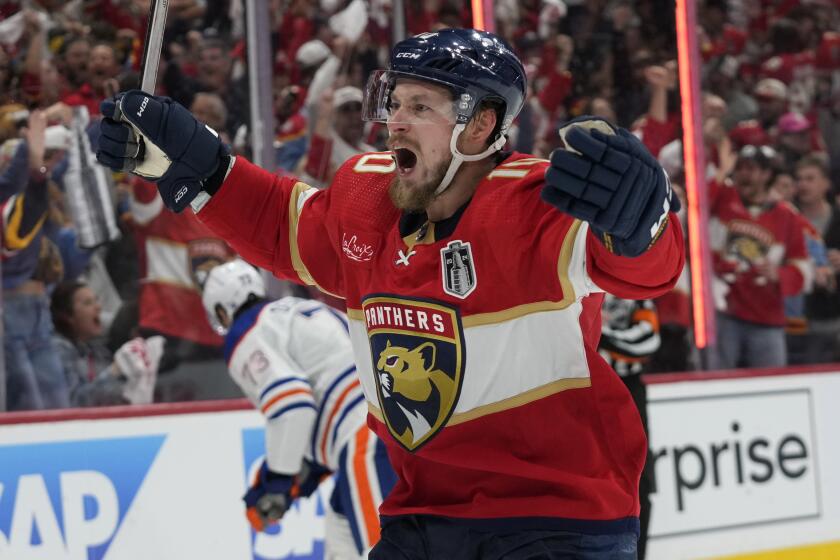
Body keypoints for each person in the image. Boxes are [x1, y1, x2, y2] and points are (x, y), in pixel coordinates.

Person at [98, 28, 685, 559]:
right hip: (422, 514)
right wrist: (198, 167)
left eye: (420, 107)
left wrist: (645, 225)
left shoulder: (542, 204)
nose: (395, 122)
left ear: (480, 125)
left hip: (556, 519)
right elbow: (282, 225)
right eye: (394, 102)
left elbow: (644, 271)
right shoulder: (366, 195)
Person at [201, 259, 395, 558]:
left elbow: (293, 408)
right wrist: (293, 479)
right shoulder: (296, 309)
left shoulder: (247, 332)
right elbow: (330, 404)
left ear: (222, 310)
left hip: (365, 441)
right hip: (399, 429)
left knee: (382, 551)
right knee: (341, 534)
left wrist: (277, 481)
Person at [709, 144, 809, 368]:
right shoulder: (722, 198)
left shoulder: (786, 216)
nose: (743, 174)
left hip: (766, 318)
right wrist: (721, 172)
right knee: (718, 385)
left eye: (751, 168)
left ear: (767, 174)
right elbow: (695, 204)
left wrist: (779, 274)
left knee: (772, 388)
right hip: (724, 314)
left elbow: (803, 270)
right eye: (740, 168)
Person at [598, 295, 661, 560]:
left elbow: (647, 341)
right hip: (585, 389)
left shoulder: (634, 284)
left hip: (629, 388)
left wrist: (597, 330)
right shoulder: (573, 275)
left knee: (639, 482)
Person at [50, 280, 164, 407]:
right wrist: (114, 371)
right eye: (88, 303)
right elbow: (75, 402)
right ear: (67, 316)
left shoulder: (97, 350)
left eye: (96, 300)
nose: (98, 307)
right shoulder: (58, 351)